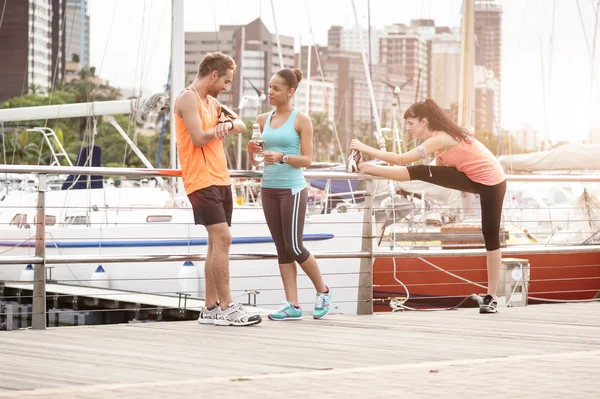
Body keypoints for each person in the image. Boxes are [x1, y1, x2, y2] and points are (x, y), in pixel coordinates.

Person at [350, 98, 506, 314]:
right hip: (470, 177)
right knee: (421, 170)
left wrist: (364, 147)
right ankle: (365, 167)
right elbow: (433, 170)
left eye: (411, 123)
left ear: (424, 121)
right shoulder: (438, 142)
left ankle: (492, 297)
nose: (408, 128)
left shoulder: (440, 138)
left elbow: (401, 159)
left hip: (492, 183)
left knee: (490, 237)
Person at [174, 51, 262, 326]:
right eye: (225, 81)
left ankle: (210, 307)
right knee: (223, 239)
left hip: (220, 178)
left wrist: (226, 122)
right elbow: (199, 137)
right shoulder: (188, 97)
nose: (226, 87)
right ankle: (227, 307)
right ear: (213, 75)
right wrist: (217, 129)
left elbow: (241, 125)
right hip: (200, 180)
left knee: (215, 242)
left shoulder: (212, 102)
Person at [247, 68, 332, 321]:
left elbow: (307, 159)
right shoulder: (262, 120)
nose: (270, 92)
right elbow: (255, 162)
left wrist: (282, 157)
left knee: (294, 246)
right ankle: (293, 305)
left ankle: (323, 291)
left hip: (292, 189)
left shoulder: (301, 120)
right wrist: (253, 151)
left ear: (290, 91)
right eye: (270, 87)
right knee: (282, 249)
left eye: (276, 88)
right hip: (269, 189)